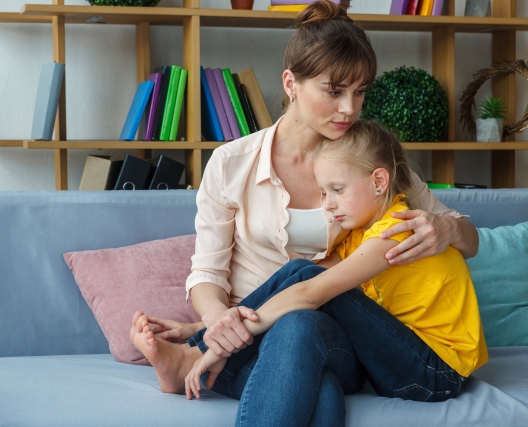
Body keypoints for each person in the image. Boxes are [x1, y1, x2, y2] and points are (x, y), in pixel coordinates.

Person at [131, 0, 479, 425]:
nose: (349, 109)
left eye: (360, 91)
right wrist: (218, 323)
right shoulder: (231, 162)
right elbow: (207, 274)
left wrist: (447, 228)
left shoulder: (368, 162)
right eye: (334, 92)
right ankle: (204, 347)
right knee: (313, 366)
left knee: (301, 316)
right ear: (291, 83)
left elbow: (467, 237)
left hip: (336, 334)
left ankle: (195, 356)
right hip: (257, 329)